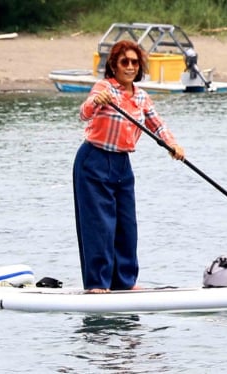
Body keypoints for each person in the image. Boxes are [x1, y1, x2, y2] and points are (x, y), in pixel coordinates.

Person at [73, 40, 185, 294]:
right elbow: (84, 113)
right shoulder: (105, 88)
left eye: (135, 62)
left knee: (126, 225)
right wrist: (95, 101)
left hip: (123, 164)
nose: (131, 66)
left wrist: (172, 145)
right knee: (99, 224)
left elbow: (157, 125)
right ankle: (97, 283)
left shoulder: (142, 96)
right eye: (125, 62)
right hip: (94, 160)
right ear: (114, 65)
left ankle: (123, 281)